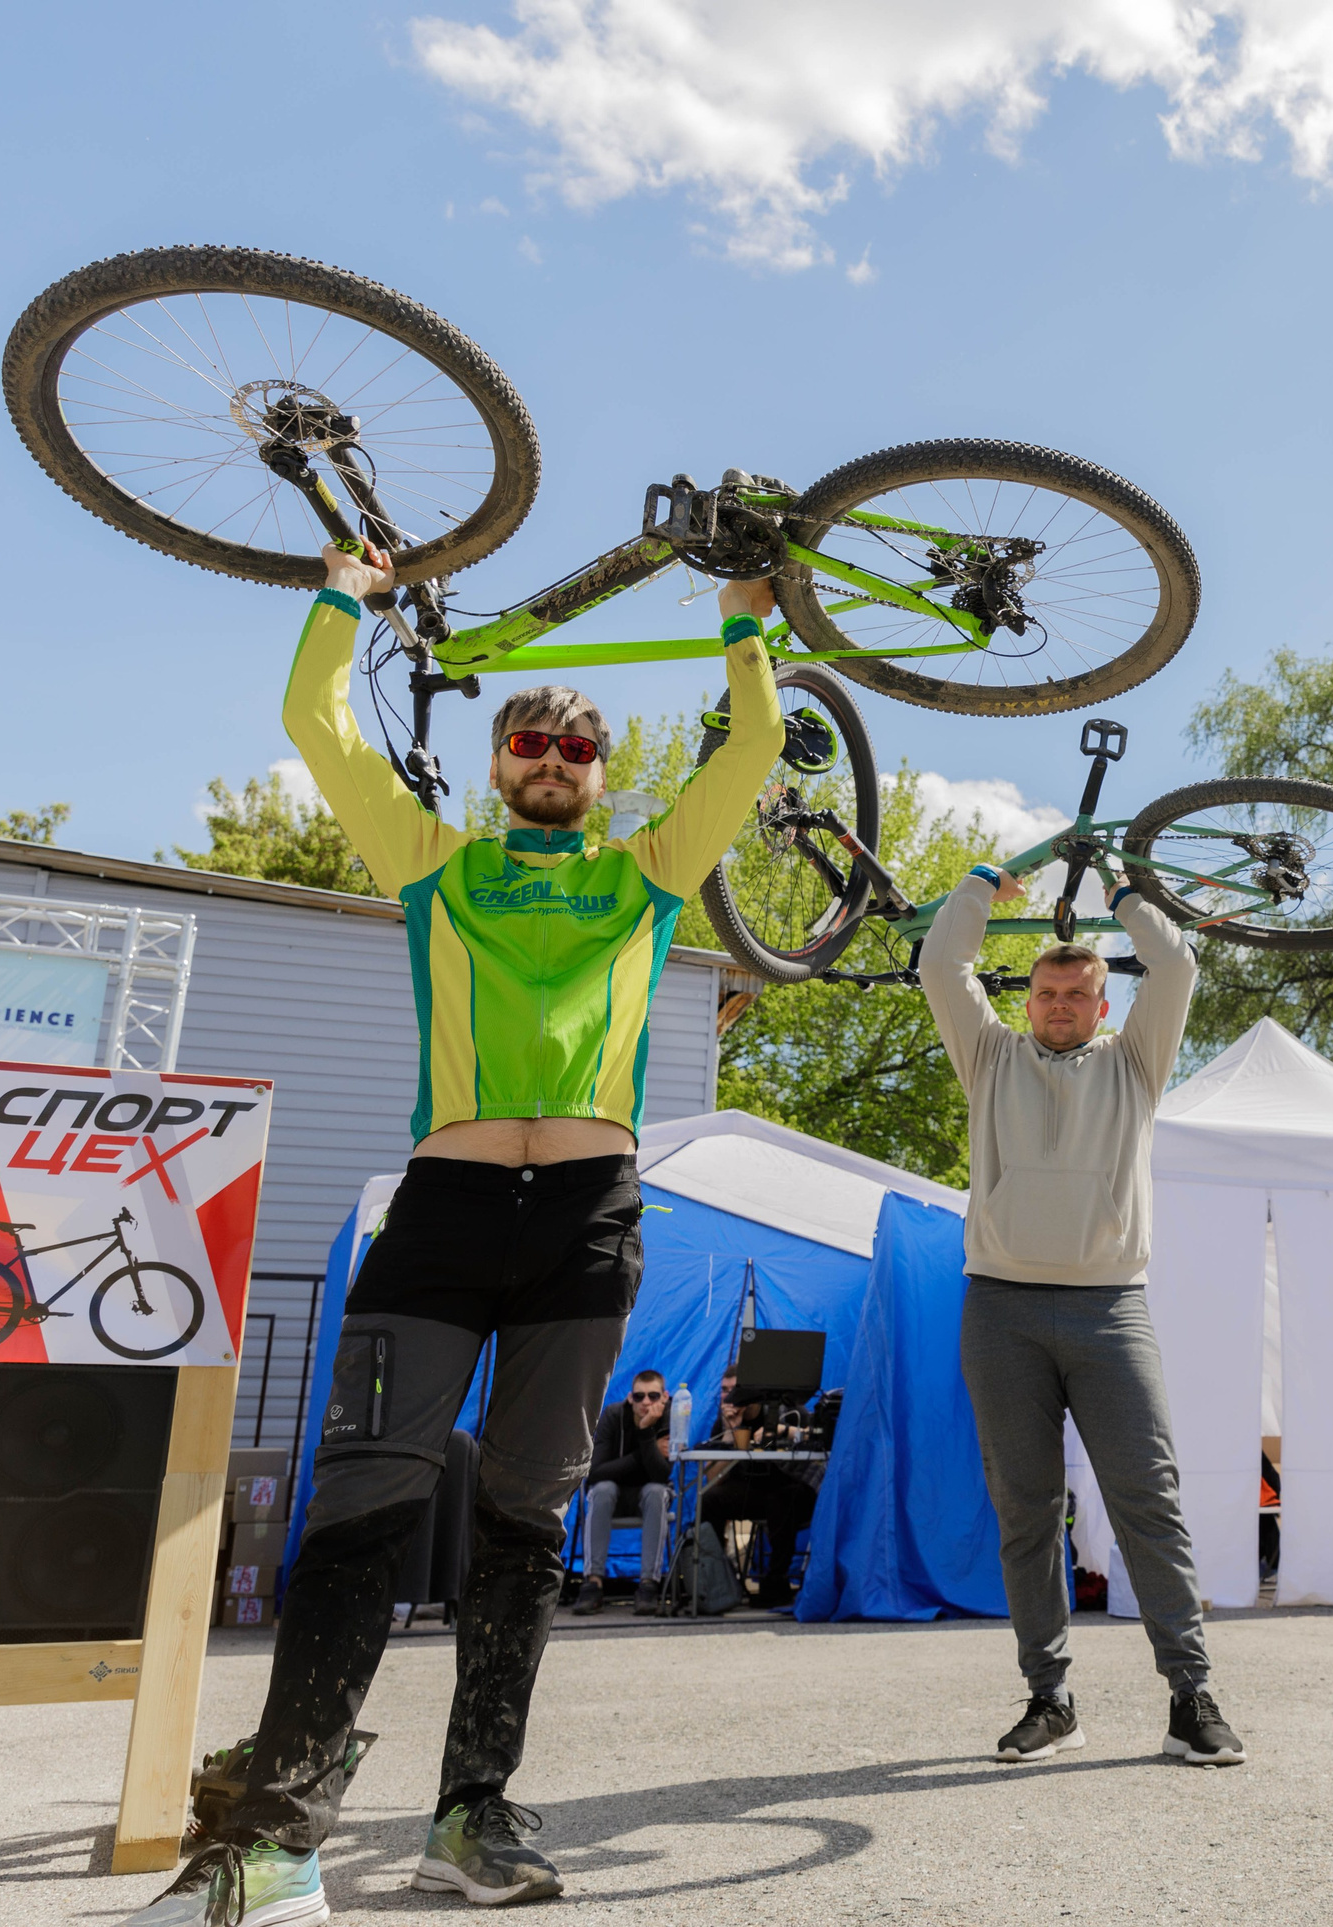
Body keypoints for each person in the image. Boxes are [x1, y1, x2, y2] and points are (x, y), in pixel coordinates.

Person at [127, 544, 785, 1927]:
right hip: (440, 1213)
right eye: (530, 741)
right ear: (497, 764)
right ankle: (276, 1840)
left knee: (526, 1521)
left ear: (601, 773)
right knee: (359, 1509)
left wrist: (743, 626)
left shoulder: (652, 874)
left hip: (588, 1223)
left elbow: (755, 746)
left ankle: (471, 1812)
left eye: (577, 746)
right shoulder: (434, 862)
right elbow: (317, 722)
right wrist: (342, 596)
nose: (552, 757)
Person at [920, 863, 1244, 1768]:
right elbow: (942, 965)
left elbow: (1175, 966)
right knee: (1027, 1511)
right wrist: (979, 889)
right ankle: (1050, 1698)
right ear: (1026, 1001)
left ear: (1104, 1006)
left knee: (1149, 1500)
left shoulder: (1136, 1064)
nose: (1060, 1004)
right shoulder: (989, 1058)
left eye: (1077, 993)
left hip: (1111, 1308)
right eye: (1047, 991)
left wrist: (1123, 894)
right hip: (1002, 1308)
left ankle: (1191, 1696)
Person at [697, 1369, 821, 1611]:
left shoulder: (787, 1411)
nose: (729, 1397)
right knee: (710, 1499)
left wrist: (783, 1431)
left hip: (794, 1487)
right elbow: (712, 1478)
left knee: (781, 1499)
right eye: (724, 1390)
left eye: (734, 1390)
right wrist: (730, 1435)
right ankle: (718, 1579)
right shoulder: (724, 1422)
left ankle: (776, 1581)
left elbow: (817, 1439)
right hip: (753, 1491)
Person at [574, 1370, 675, 1616]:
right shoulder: (613, 1415)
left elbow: (661, 1475)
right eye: (639, 1396)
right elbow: (596, 1473)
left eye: (653, 1396)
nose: (646, 1402)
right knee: (602, 1490)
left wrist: (646, 1430)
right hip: (614, 1498)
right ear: (630, 1398)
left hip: (649, 1499)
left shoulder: (670, 1416)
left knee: (656, 1492)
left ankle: (648, 1584)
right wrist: (648, 1446)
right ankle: (593, 1583)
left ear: (664, 1397)